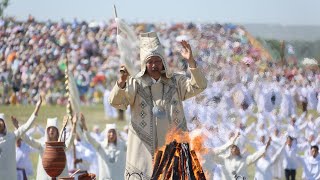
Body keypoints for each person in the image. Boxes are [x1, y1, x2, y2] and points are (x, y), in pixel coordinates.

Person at [109, 32, 207, 179]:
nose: (154, 65)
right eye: (150, 61)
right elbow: (116, 102)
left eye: (157, 60)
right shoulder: (135, 83)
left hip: (173, 147)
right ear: (144, 63)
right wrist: (122, 81)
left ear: (163, 62)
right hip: (143, 149)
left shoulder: (175, 81)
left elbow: (199, 85)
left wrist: (191, 62)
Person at [20, 115, 78, 180]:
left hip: (60, 176)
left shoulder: (61, 145)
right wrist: (19, 130)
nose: (51, 130)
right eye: (49, 128)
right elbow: (29, 140)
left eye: (53, 128)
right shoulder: (42, 144)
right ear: (47, 130)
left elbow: (70, 140)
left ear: (57, 131)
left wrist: (74, 125)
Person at [0, 97, 42, 180]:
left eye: (1, 121)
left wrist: (37, 108)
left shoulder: (11, 136)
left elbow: (26, 126)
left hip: (10, 177)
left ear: (4, 124)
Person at [81, 114, 126, 180]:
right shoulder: (101, 146)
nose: (111, 134)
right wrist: (84, 125)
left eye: (113, 132)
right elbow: (90, 139)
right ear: (106, 133)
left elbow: (132, 143)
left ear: (116, 134)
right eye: (109, 132)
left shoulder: (122, 145)